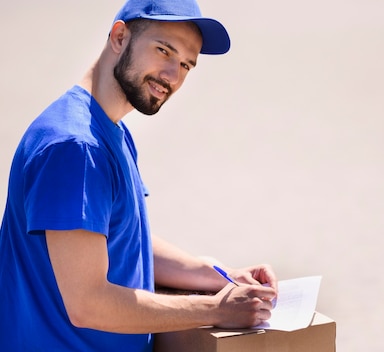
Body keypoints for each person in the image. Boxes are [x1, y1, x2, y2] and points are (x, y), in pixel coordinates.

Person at [0, 0, 278, 350]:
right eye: (164, 50)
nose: (172, 76)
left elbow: (119, 237)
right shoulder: (76, 147)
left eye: (186, 65)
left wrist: (218, 275)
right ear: (120, 36)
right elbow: (88, 303)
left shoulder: (108, 131)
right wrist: (214, 309)